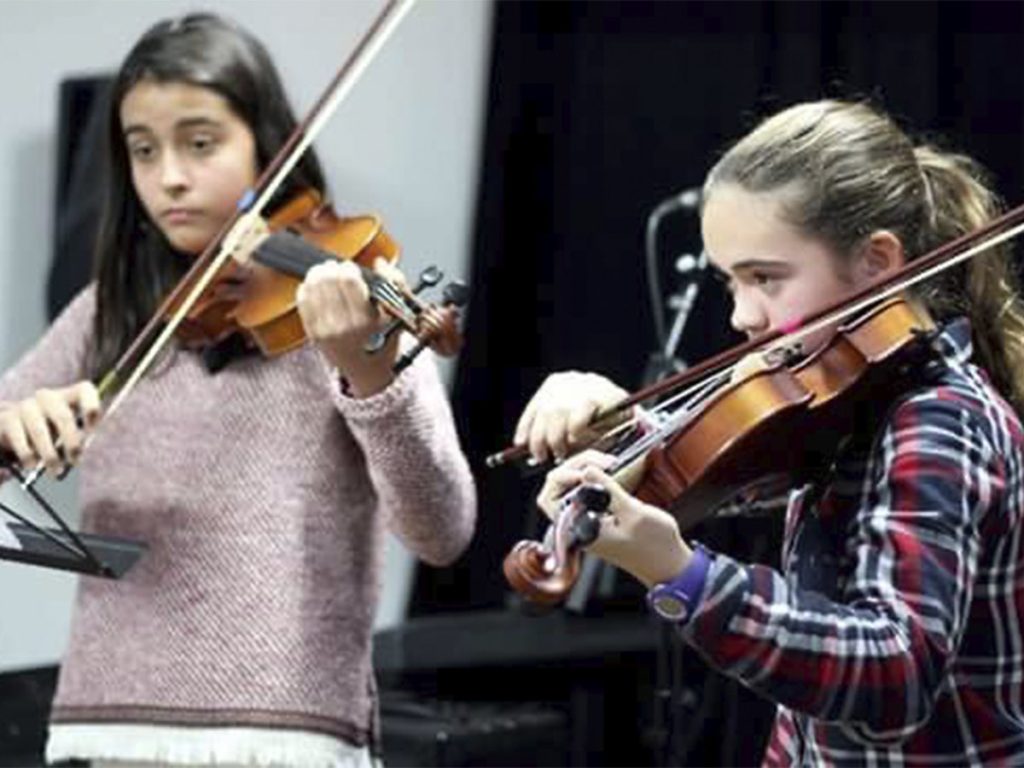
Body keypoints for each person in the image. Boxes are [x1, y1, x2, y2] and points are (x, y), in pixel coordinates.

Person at [0, 13, 476, 768]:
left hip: (286, 735)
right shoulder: (112, 307)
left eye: (200, 142)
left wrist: (369, 373)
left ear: (265, 141)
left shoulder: (344, 296)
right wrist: (14, 426)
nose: (170, 178)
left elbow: (443, 528)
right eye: (143, 151)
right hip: (112, 733)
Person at [517, 100, 1024, 765]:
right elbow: (727, 465)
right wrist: (617, 428)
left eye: (765, 278)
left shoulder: (938, 419)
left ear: (878, 263)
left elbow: (892, 672)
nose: (741, 316)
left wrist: (678, 572)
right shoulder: (844, 404)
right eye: (731, 281)